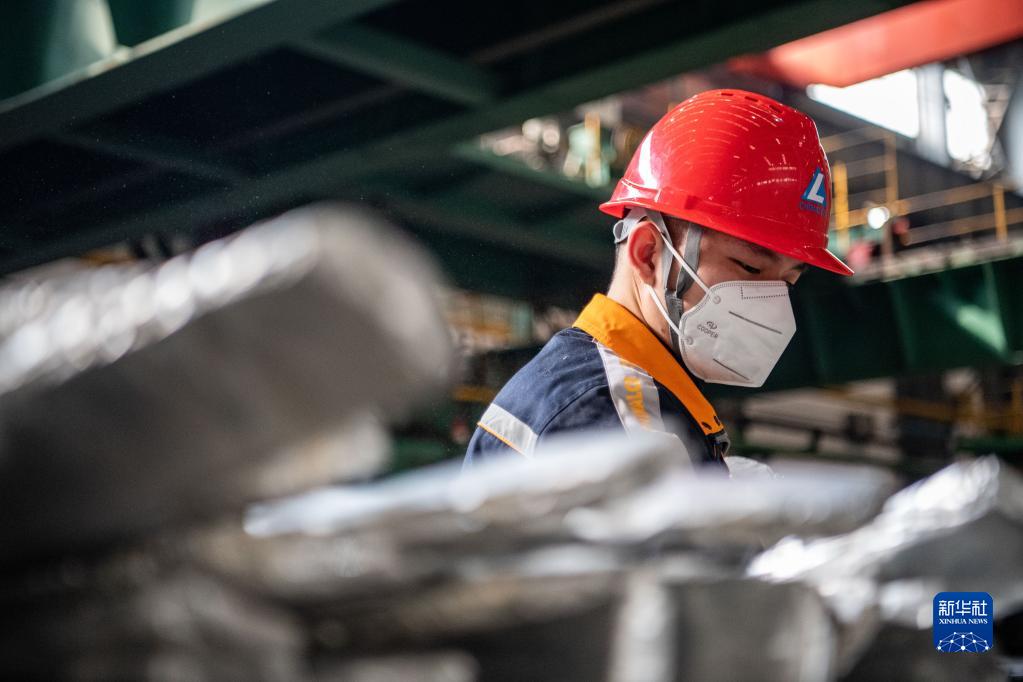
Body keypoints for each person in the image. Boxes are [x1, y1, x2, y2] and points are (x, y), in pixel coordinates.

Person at [463, 89, 853, 469]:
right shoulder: (613, 417)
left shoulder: (609, 399)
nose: (770, 304)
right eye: (750, 268)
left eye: (787, 282)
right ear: (648, 253)